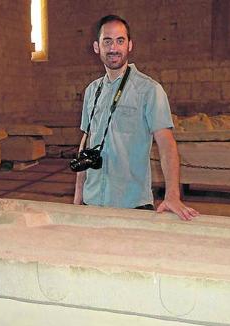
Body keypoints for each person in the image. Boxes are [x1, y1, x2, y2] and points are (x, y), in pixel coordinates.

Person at [73, 14, 199, 221]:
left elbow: (167, 144)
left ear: (130, 45)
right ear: (97, 47)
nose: (114, 48)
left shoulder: (149, 90)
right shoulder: (91, 91)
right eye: (107, 41)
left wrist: (172, 196)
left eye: (120, 40)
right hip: (91, 202)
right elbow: (85, 144)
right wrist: (78, 198)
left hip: (131, 205)